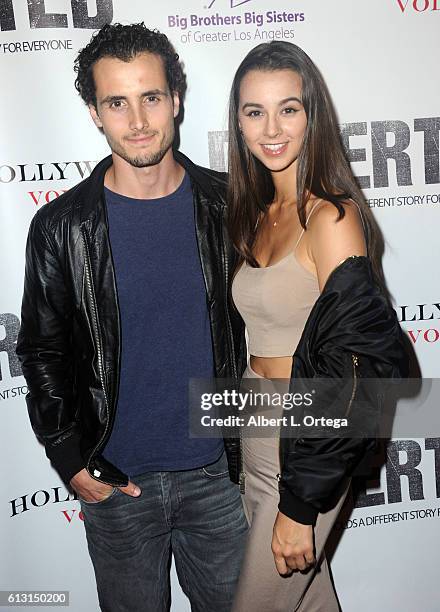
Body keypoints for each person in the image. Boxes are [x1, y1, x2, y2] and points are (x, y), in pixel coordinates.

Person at [16, 22, 248, 612]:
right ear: (94, 113)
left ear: (176, 99)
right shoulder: (62, 226)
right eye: (117, 102)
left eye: (150, 97)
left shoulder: (231, 208)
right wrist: (70, 458)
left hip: (218, 475)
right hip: (116, 482)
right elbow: (41, 352)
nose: (138, 120)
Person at [225, 41, 408, 611]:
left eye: (289, 108)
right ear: (238, 121)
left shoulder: (329, 216)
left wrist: (302, 502)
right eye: (255, 111)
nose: (272, 128)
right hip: (256, 424)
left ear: (313, 115)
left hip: (308, 436)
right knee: (303, 602)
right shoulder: (257, 212)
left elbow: (359, 365)